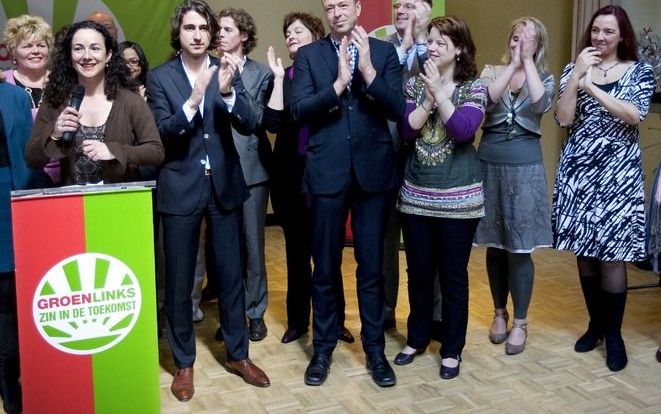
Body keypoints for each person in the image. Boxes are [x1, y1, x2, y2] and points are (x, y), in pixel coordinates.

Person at [146, 0, 271, 401]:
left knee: (231, 276)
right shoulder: (160, 78)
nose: (198, 35)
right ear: (178, 34)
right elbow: (163, 132)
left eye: (204, 28)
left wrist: (229, 92)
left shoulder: (226, 70)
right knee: (179, 281)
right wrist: (194, 100)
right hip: (181, 188)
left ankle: (239, 354)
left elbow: (250, 123)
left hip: (225, 187)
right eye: (190, 28)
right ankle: (184, 362)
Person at [291, 0, 405, 387]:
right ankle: (322, 349)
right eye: (329, 6)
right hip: (326, 173)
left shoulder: (386, 53)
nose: (336, 12)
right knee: (323, 268)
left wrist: (369, 72)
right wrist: (338, 84)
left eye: (343, 4)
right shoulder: (309, 55)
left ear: (358, 7)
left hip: (373, 174)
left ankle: (375, 350)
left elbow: (396, 110)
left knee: (371, 268)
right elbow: (299, 109)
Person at [553, 4, 655, 372]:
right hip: (578, 171)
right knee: (585, 253)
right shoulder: (573, 70)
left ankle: (613, 335)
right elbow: (563, 118)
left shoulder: (640, 71)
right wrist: (576, 76)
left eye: (608, 31)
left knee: (612, 255)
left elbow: (633, 114)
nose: (599, 37)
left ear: (622, 35)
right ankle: (595, 326)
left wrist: (591, 87)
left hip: (617, 174)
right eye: (595, 30)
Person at [394, 16, 486, 379]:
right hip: (415, 196)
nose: (431, 47)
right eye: (429, 41)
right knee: (417, 274)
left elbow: (463, 131)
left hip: (459, 203)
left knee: (452, 277)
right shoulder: (415, 85)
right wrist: (430, 96)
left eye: (440, 42)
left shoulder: (475, 88)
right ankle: (416, 338)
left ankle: (452, 349)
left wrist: (441, 94)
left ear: (459, 48)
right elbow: (406, 129)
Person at [264, 12, 354, 345]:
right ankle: (298, 321)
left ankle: (335, 321)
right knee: (296, 252)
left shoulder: (332, 74)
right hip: (290, 176)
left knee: (327, 251)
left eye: (298, 31)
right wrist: (276, 79)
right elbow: (272, 124)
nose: (290, 36)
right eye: (287, 33)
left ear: (316, 35)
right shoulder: (282, 77)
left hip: (325, 173)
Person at [473, 17, 554, 355]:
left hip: (525, 170)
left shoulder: (546, 77)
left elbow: (540, 104)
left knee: (520, 249)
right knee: (494, 243)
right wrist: (512, 65)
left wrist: (528, 63)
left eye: (530, 38)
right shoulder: (491, 72)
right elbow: (487, 102)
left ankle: (520, 322)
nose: (521, 41)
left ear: (539, 45)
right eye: (517, 36)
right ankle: (499, 314)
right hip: (489, 163)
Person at [25, 21, 164, 185]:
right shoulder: (54, 101)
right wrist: (54, 133)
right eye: (78, 49)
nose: (86, 56)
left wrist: (114, 151)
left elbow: (156, 152)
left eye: (95, 48)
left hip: (120, 203)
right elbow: (32, 159)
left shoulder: (130, 101)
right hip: (73, 204)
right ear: (70, 56)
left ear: (109, 55)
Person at [213, 7, 272, 341]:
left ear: (244, 35)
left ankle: (256, 312)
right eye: (217, 29)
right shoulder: (206, 68)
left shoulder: (262, 73)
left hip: (251, 171)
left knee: (253, 246)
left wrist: (233, 77)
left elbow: (256, 118)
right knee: (226, 249)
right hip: (218, 169)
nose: (220, 34)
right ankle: (232, 315)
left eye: (227, 29)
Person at [382, 0, 434, 332]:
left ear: (428, 10)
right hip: (386, 157)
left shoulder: (440, 46)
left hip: (428, 160)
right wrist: (403, 46)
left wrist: (420, 42)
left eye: (410, 4)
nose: (401, 9)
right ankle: (385, 310)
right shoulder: (380, 47)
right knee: (385, 241)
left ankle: (431, 316)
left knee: (428, 245)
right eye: (398, 4)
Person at [0, 78, 49, 414]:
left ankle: (14, 393)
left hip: (10, 208)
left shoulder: (15, 96)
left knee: (9, 305)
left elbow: (28, 158)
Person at [3, 14, 59, 184]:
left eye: (41, 45)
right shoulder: (4, 85)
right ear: (13, 52)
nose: (36, 51)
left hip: (63, 176)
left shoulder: (63, 82)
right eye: (27, 46)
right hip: (20, 176)